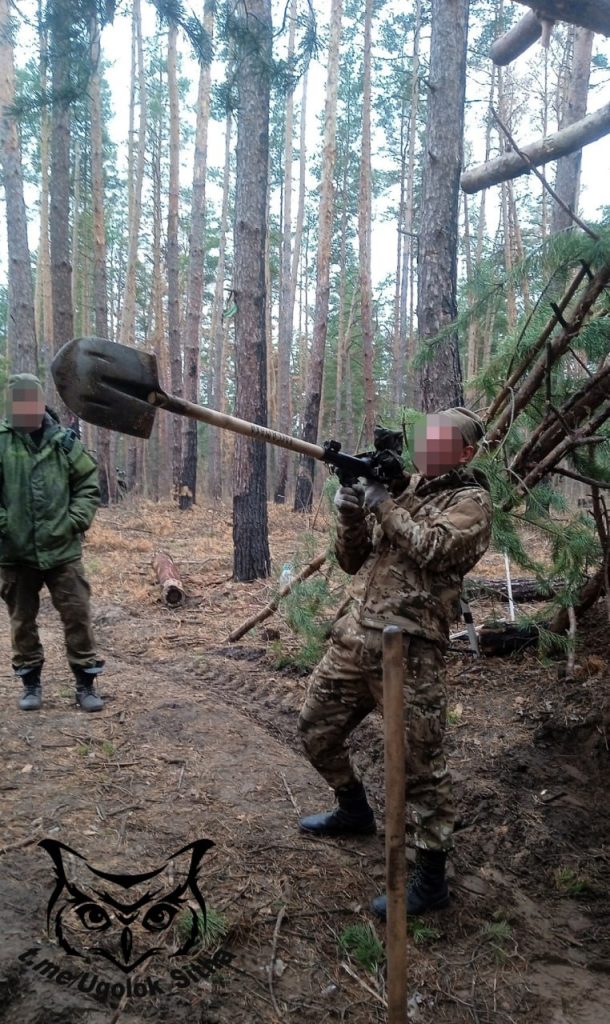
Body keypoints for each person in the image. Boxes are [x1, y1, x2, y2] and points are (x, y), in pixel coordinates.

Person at [297, 407, 493, 917]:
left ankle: (430, 881)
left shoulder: (471, 502)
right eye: (424, 437)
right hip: (357, 641)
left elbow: (432, 547)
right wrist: (349, 507)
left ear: (465, 452)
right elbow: (350, 560)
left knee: (420, 769)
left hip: (410, 656)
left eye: (440, 440)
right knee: (315, 729)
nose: (426, 446)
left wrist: (383, 504)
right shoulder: (402, 492)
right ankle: (353, 809)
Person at [0, 373, 105, 712]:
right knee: (22, 621)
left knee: (77, 615)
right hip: (15, 553)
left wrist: (75, 521)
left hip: (62, 551)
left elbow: (88, 482)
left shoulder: (63, 442)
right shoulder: (1, 442)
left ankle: (85, 684)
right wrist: (6, 526)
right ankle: (31, 684)